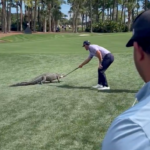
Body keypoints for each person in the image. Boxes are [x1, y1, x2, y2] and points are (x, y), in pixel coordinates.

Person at [102, 10, 150, 150]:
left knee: (101, 70)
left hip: (107, 57)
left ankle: (103, 84)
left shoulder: (130, 130)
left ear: (139, 51)